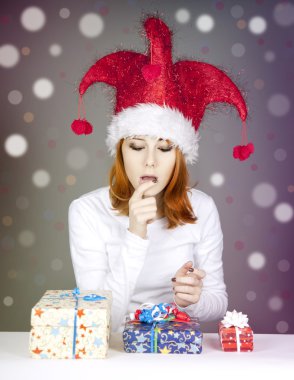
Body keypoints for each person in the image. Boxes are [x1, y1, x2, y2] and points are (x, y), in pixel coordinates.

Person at [68, 15, 254, 332]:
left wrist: (192, 299)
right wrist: (136, 234)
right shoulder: (86, 211)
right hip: (115, 353)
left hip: (176, 349)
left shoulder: (202, 208)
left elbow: (216, 301)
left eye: (165, 149)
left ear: (179, 156)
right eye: (138, 147)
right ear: (120, 151)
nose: (151, 162)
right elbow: (100, 321)